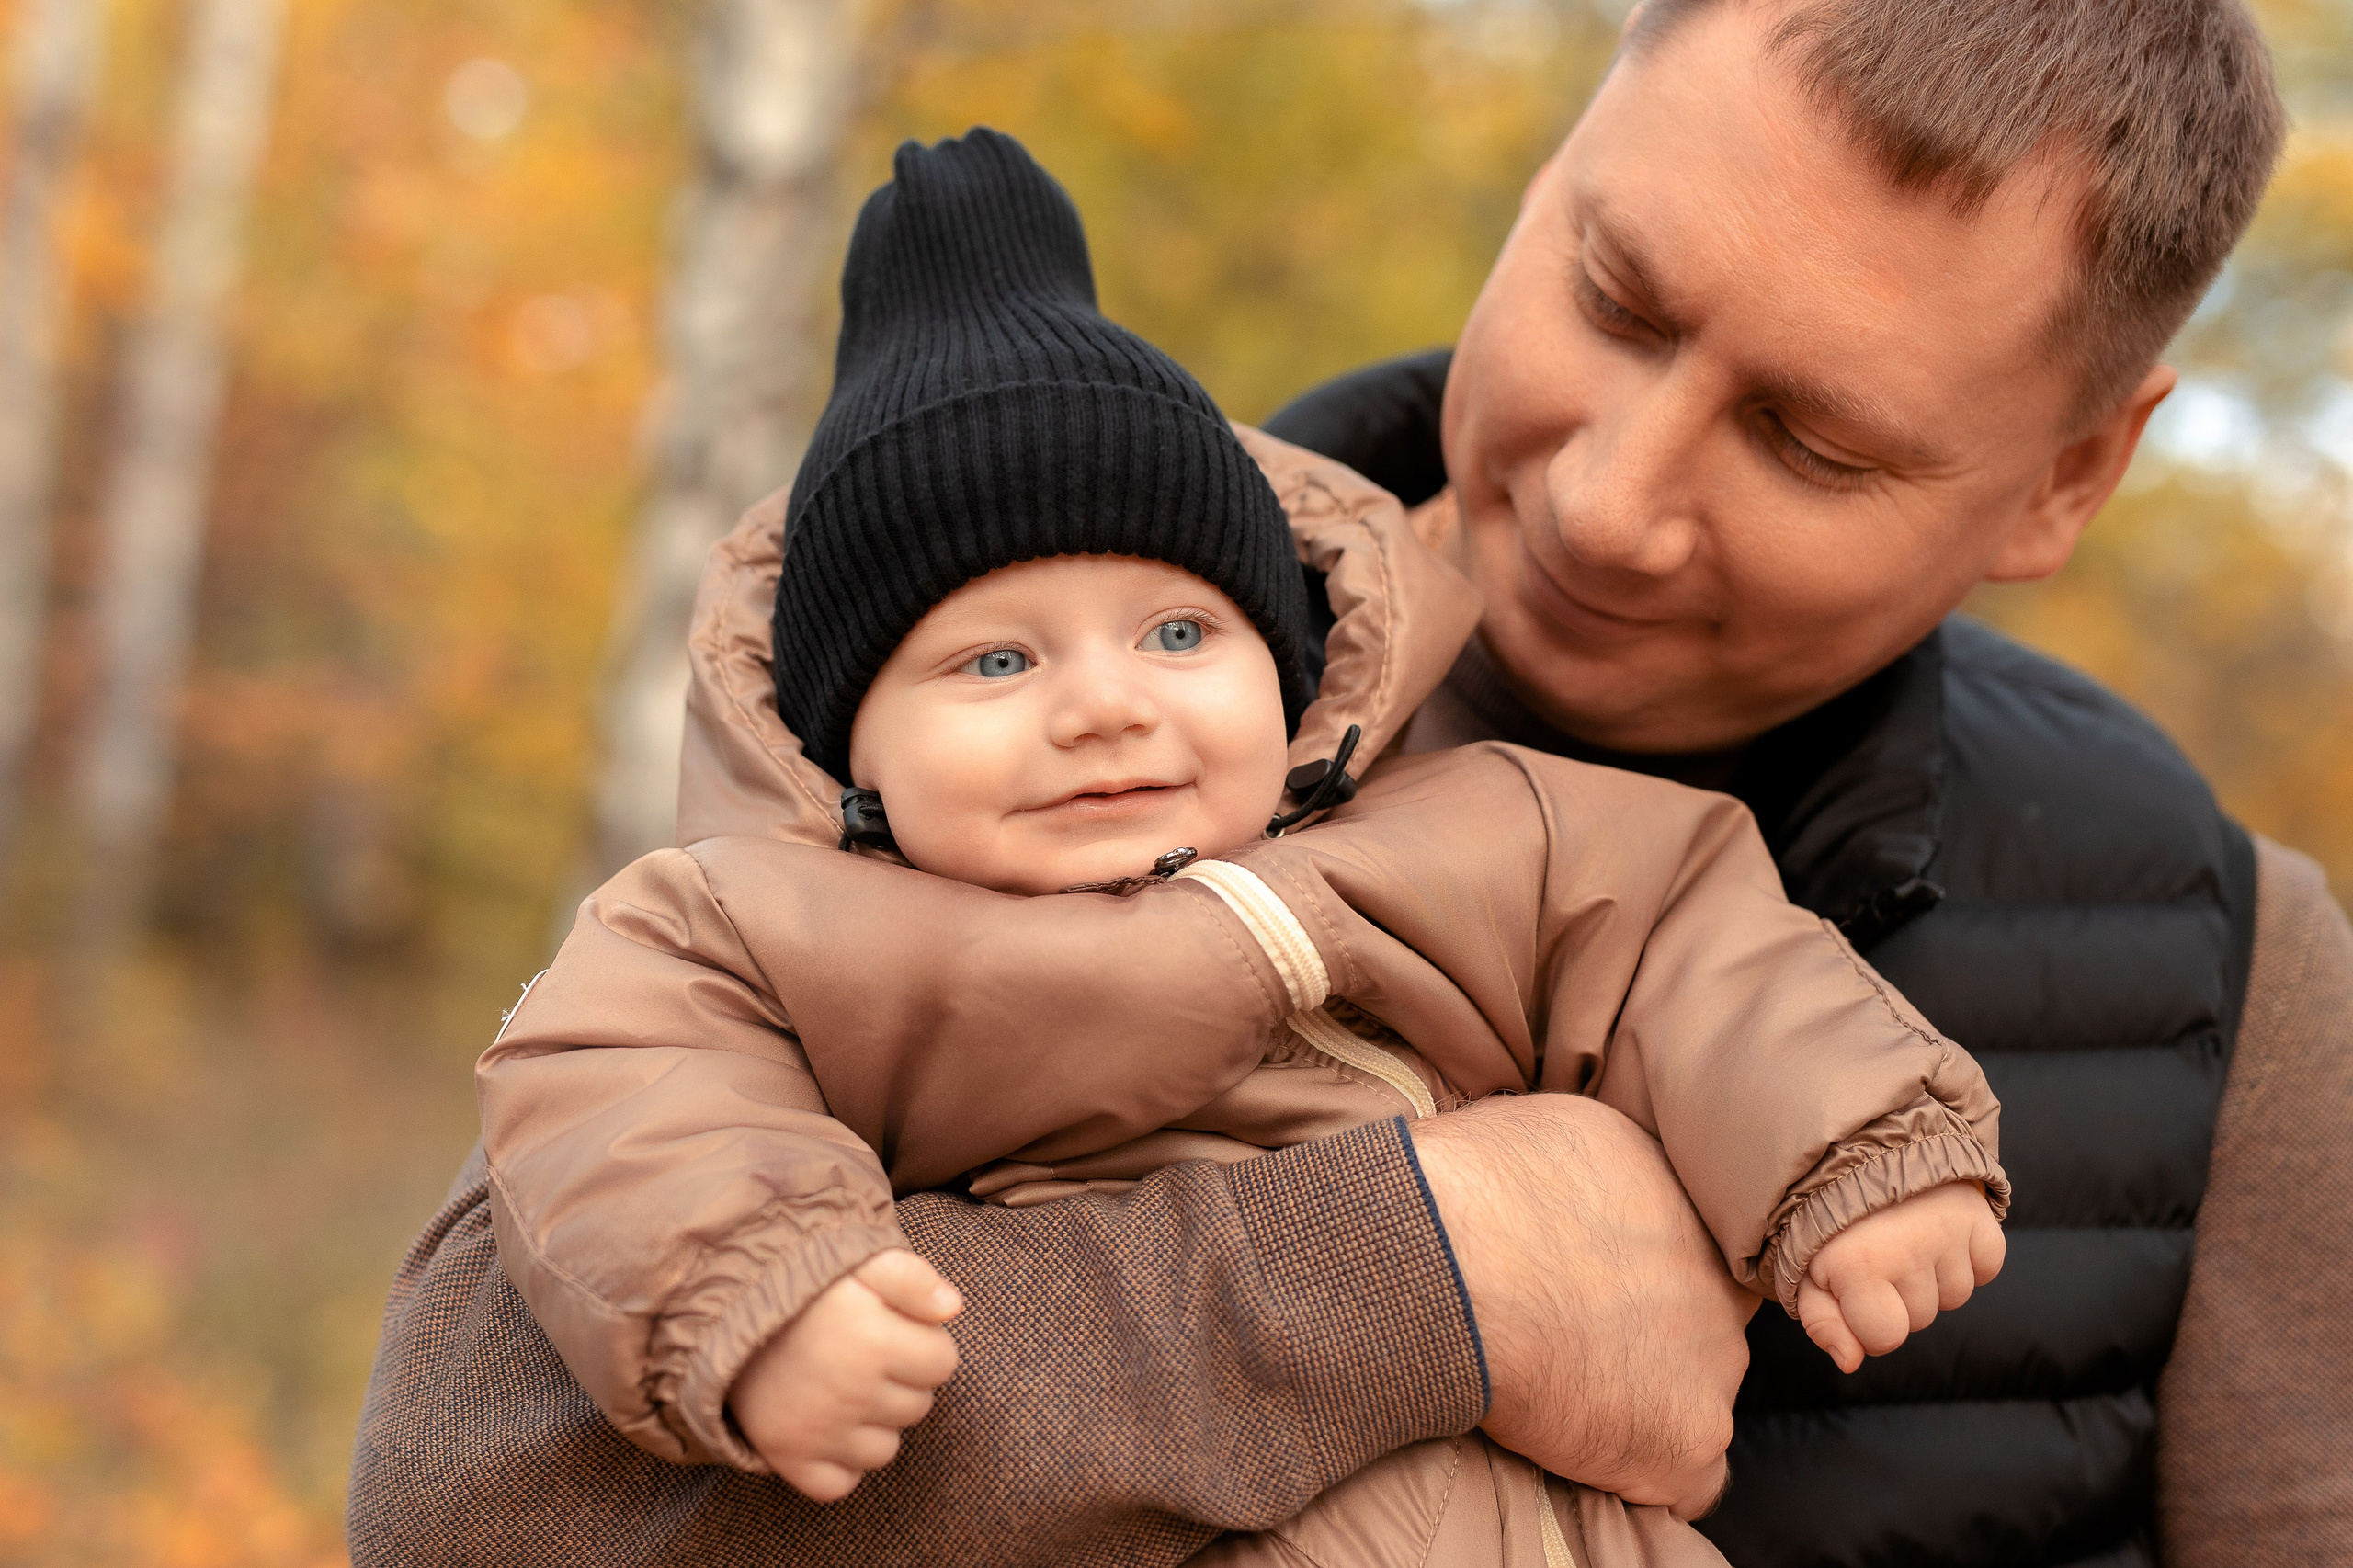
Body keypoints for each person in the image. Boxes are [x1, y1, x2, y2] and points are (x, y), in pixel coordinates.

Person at [349, 1, 2353, 1564]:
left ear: (2069, 476)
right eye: (1613, 297)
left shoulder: (2214, 960)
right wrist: (1415, 1272)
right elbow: (468, 1498)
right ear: (1555, 155)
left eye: (1810, 445)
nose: (1603, 499)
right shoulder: (996, 687)